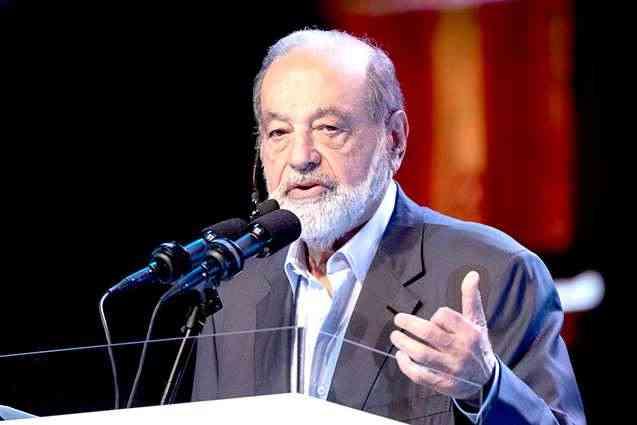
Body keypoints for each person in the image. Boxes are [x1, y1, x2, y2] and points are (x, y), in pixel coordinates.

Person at [191, 29, 586, 424]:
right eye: (279, 132)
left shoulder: (496, 272)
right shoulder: (233, 289)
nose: (300, 157)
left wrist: (486, 387)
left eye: (329, 128)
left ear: (394, 139)